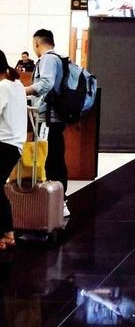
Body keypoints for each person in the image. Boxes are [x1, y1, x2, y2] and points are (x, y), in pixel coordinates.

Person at [25, 28, 68, 216]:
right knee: (54, 158)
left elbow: (46, 83)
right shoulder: (58, 58)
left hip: (49, 118)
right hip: (54, 117)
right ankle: (58, 201)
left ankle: (59, 203)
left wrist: (22, 91)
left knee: (51, 160)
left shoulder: (48, 59)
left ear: (37, 43)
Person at [0, 50, 29, 249]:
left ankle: (7, 233)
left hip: (4, 143)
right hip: (15, 144)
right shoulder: (17, 84)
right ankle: (7, 234)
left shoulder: (3, 86)